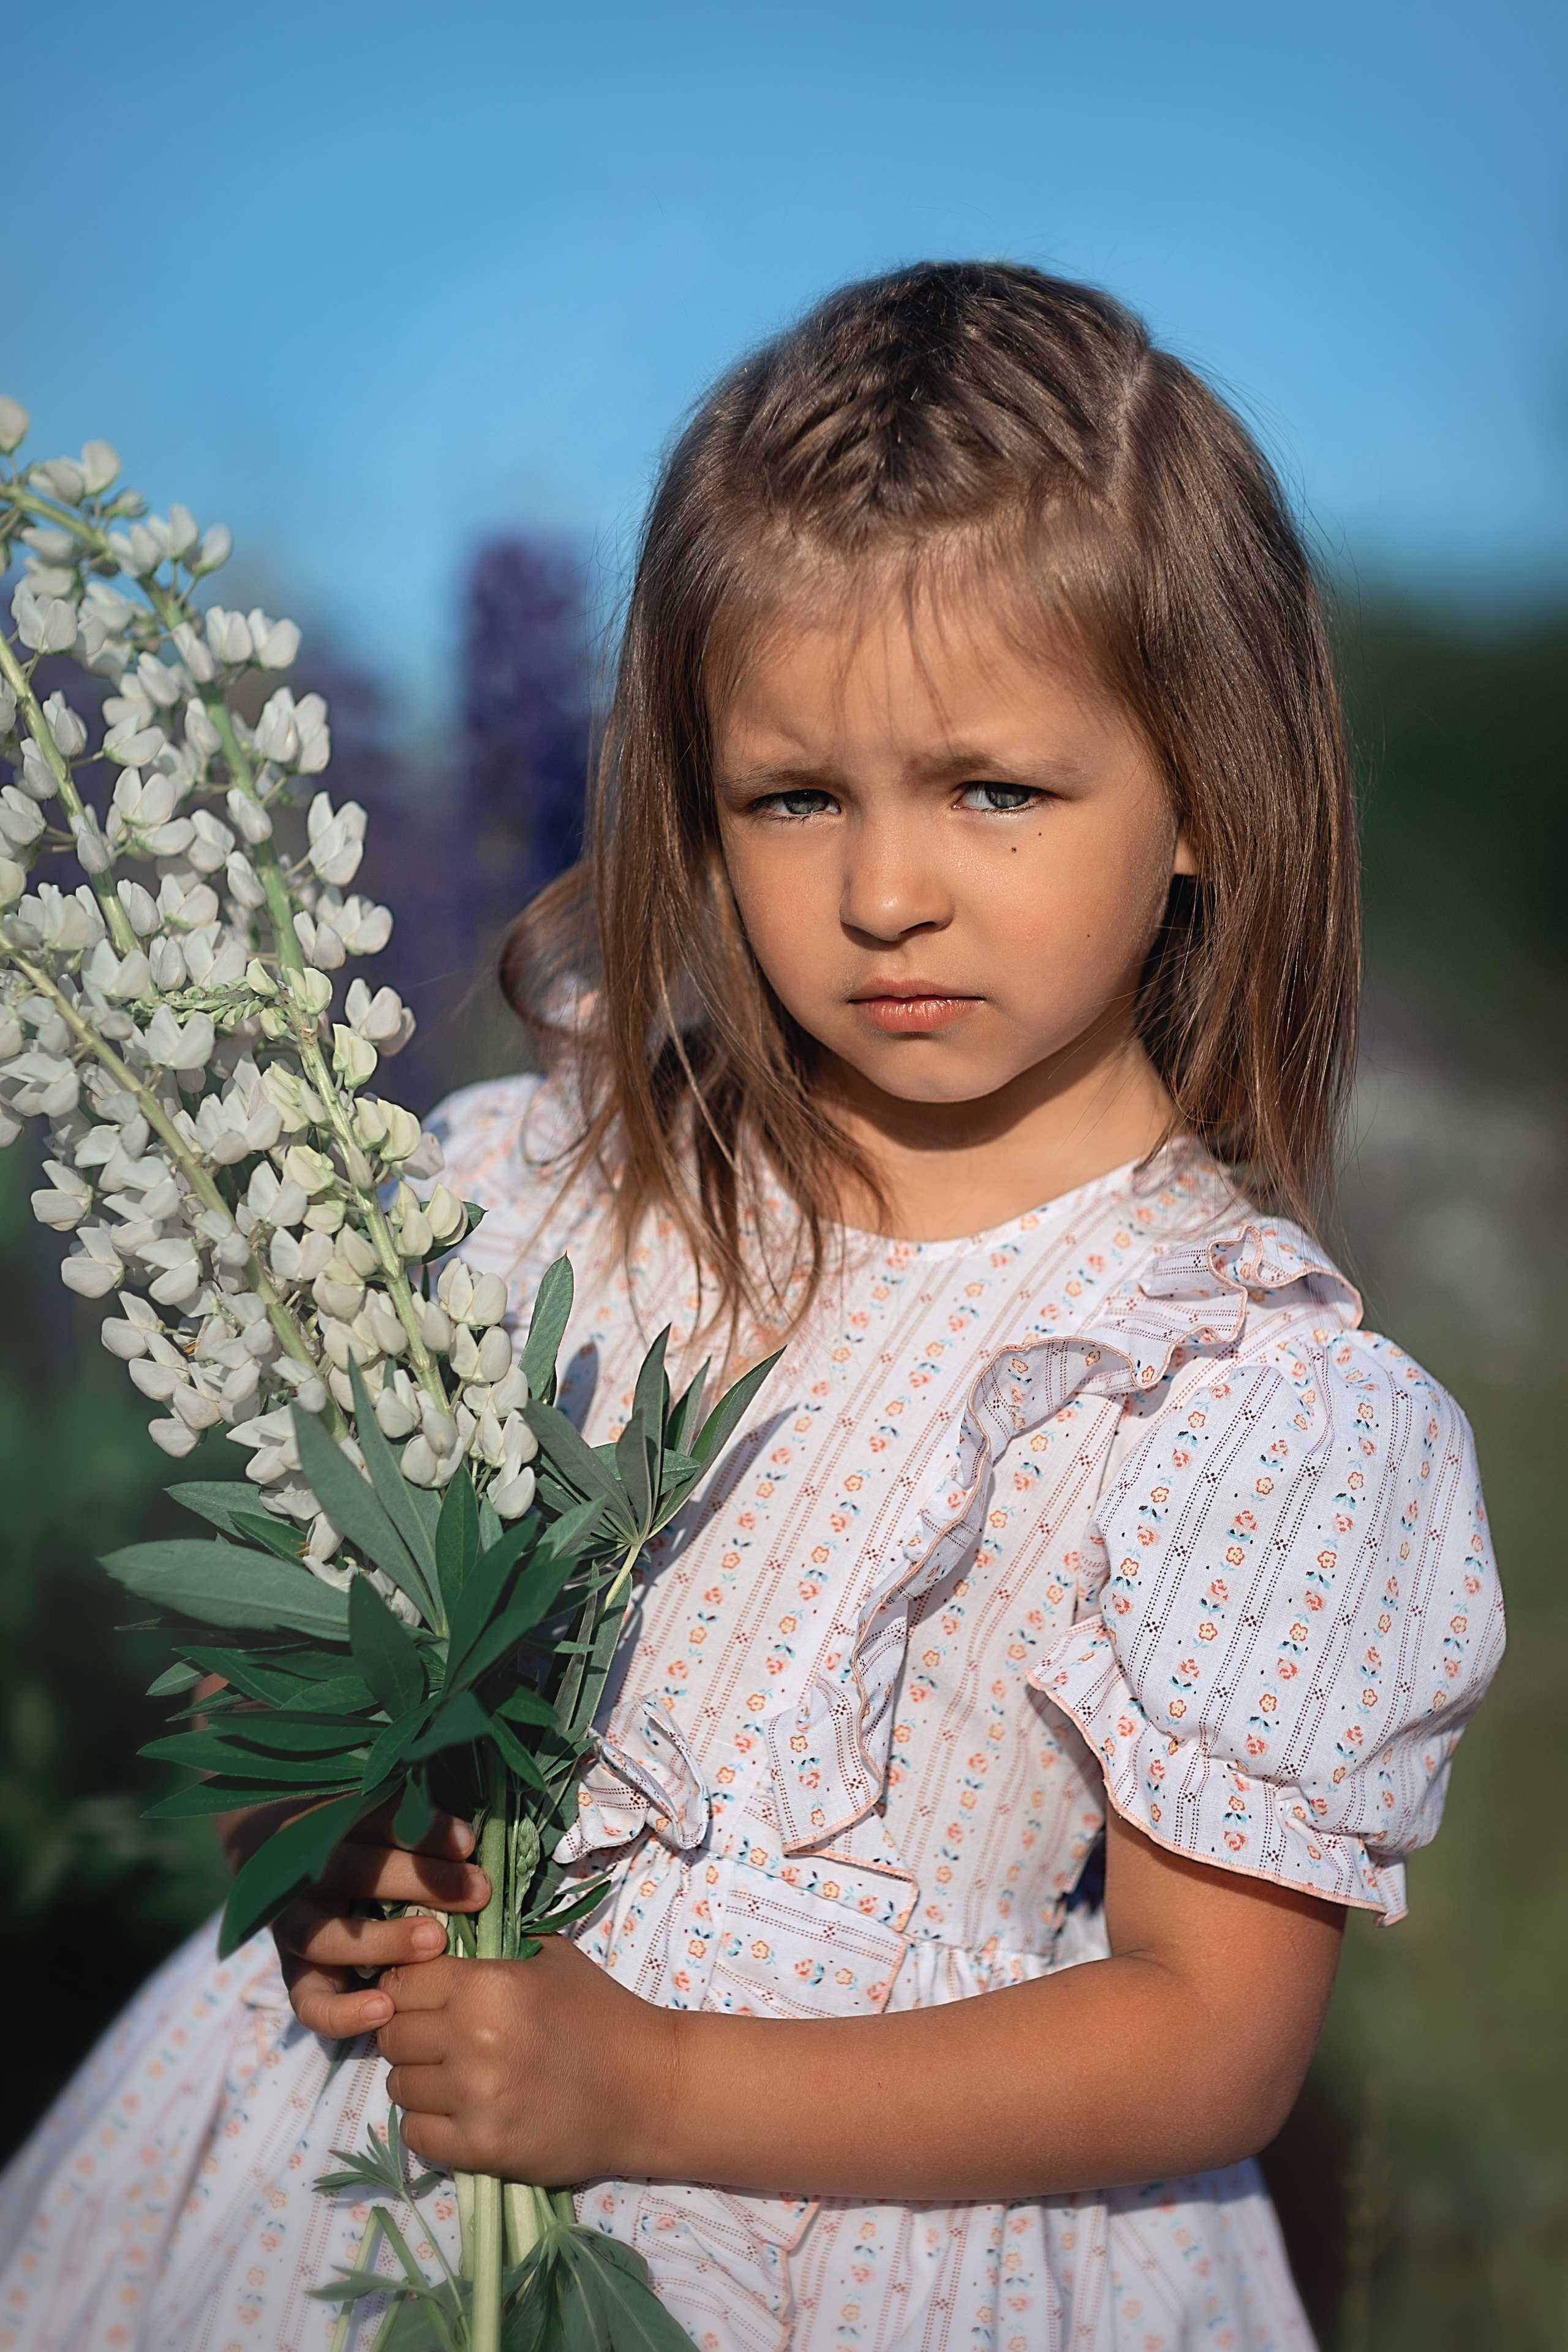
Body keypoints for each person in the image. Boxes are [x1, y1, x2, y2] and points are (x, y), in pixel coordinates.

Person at [0, 263, 1503, 2352]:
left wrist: (654, 2087)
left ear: (1206, 796)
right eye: (795, 796)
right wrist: (337, 1859)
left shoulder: (1242, 1394)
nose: (885, 892)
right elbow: (292, 1693)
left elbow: (1206, 2039)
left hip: (884, 2247)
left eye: (994, 788)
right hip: (362, 2175)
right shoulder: (545, 1196)